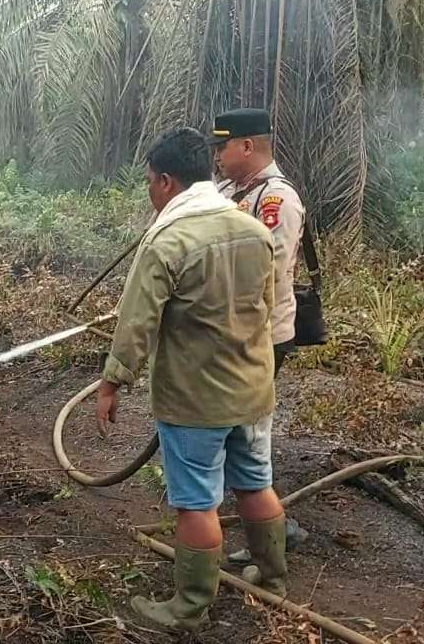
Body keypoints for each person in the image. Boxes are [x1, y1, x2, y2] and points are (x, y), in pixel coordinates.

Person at [94, 127, 289, 631]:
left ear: (164, 181)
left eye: (148, 182)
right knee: (255, 484)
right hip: (252, 390)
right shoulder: (252, 230)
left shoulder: (167, 239)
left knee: (196, 503)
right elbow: (264, 308)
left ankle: (188, 606)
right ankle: (272, 578)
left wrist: (112, 383)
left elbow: (136, 322)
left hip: (196, 400)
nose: (149, 191)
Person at [210, 107, 309, 557]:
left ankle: (272, 534)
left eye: (222, 146)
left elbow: (267, 271)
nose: (216, 156)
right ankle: (259, 513)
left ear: (247, 146)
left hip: (261, 335)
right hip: (232, 330)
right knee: (237, 425)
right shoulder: (231, 190)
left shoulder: (276, 199)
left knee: (250, 430)